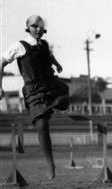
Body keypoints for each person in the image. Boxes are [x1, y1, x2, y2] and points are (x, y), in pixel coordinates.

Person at [0, 15, 69, 180]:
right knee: (42, 124)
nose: (38, 30)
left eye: (41, 28)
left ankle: (57, 104)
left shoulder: (44, 44)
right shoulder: (19, 46)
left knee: (65, 93)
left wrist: (57, 64)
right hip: (33, 90)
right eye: (34, 26)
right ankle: (50, 164)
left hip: (50, 84)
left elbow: (49, 56)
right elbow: (1, 62)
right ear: (28, 28)